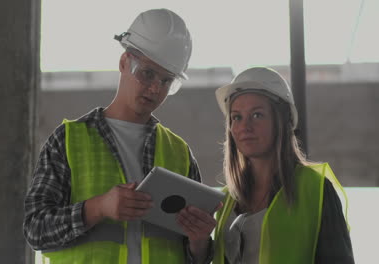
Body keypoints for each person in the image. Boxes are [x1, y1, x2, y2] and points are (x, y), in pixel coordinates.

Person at [23, 8, 215, 264]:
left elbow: (193, 257)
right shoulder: (68, 140)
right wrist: (98, 208)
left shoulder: (179, 153)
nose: (155, 88)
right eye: (147, 73)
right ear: (124, 62)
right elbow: (36, 230)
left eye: (167, 80)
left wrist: (200, 242)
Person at [207, 67, 355, 264]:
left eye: (257, 115)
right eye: (237, 117)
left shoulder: (315, 190)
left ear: (282, 121)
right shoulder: (226, 200)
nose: (245, 127)